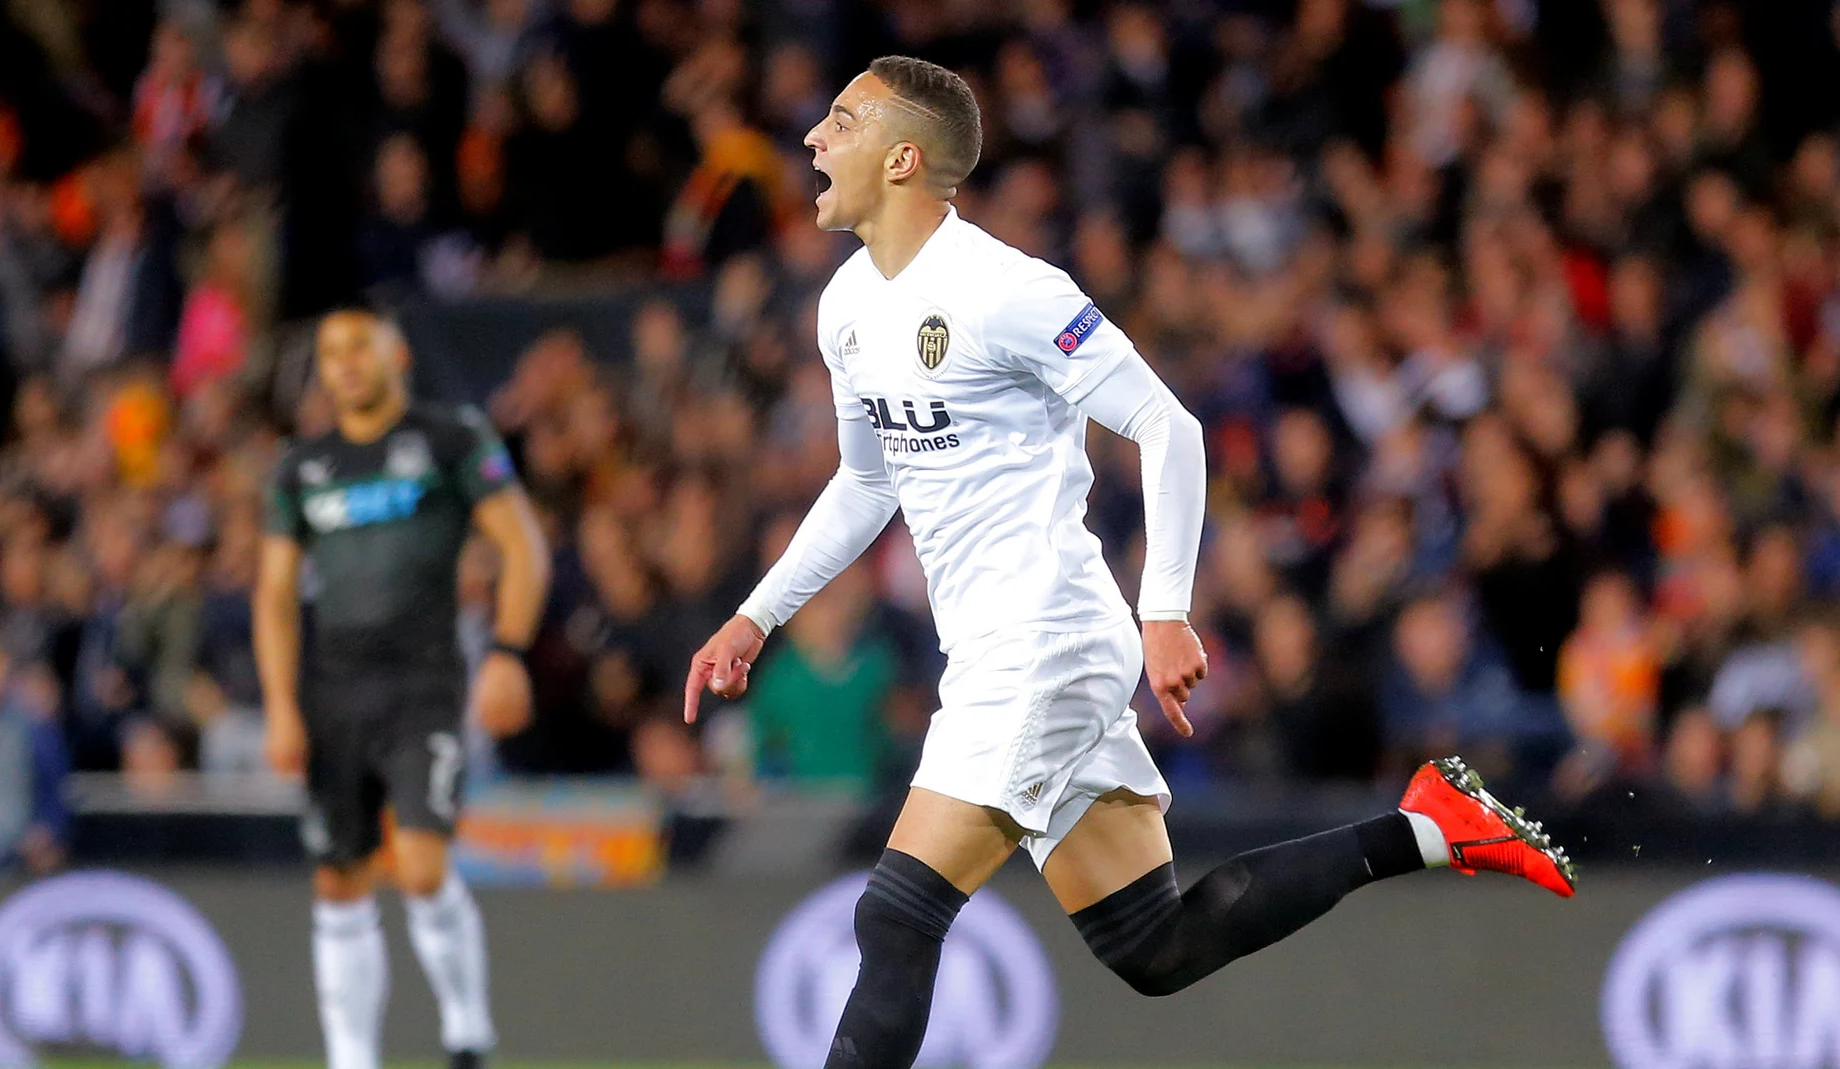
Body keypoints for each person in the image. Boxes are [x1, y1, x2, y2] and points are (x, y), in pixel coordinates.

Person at [683, 57, 1576, 1069]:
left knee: (896, 918)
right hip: (990, 655)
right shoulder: (845, 306)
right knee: (1154, 945)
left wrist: (1167, 609)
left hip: (1046, 642)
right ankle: (1427, 827)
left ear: (901, 157)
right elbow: (863, 483)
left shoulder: (1007, 290)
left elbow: (1168, 423)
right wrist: (757, 613)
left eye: (838, 121)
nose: (811, 139)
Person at [255, 310, 549, 1069]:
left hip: (423, 682)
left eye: (359, 347)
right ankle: (352, 1059)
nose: (345, 364)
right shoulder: (301, 465)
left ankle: (467, 1029)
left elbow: (522, 546)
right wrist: (282, 706)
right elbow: (275, 595)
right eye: (330, 353)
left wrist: (509, 652)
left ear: (398, 353)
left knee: (420, 867)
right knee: (339, 879)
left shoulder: (451, 438)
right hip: (333, 692)